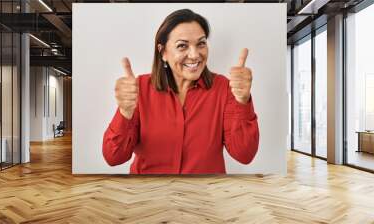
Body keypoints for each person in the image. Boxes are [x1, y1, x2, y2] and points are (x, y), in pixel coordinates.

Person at [102, 9, 259, 174]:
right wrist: (125, 113)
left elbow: (244, 154)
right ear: (163, 52)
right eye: (182, 45)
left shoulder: (224, 88)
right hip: (148, 194)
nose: (194, 55)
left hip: (204, 195)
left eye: (201, 43)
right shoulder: (138, 89)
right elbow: (113, 157)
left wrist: (242, 102)